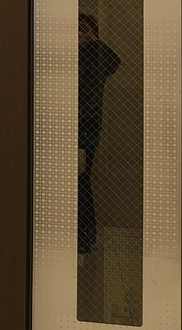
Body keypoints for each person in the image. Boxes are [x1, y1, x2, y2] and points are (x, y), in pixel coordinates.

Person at [79, 13, 120, 254]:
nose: (78, 33)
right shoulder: (64, 55)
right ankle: (76, 232)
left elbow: (114, 62)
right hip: (64, 126)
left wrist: (93, 40)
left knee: (81, 178)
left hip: (87, 127)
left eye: (83, 28)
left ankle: (85, 235)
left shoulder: (96, 58)